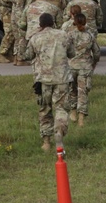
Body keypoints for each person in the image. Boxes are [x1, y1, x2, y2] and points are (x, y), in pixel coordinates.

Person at [22, 12, 75, 151]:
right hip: (62, 78)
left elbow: (27, 56)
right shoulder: (63, 35)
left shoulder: (36, 38)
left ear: (40, 24)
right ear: (53, 23)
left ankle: (46, 142)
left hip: (43, 79)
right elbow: (72, 53)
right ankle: (59, 132)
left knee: (45, 109)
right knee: (62, 108)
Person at [66, 12, 100, 128]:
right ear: (85, 22)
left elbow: (65, 50)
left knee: (72, 90)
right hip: (85, 67)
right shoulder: (90, 35)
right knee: (83, 92)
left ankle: (73, 112)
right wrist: (94, 62)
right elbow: (96, 52)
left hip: (71, 66)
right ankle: (81, 119)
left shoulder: (70, 35)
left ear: (74, 22)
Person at [9, 0, 29, 66]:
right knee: (22, 38)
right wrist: (23, 19)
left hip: (13, 16)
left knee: (17, 38)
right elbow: (20, 6)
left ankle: (16, 58)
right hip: (19, 17)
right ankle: (21, 59)